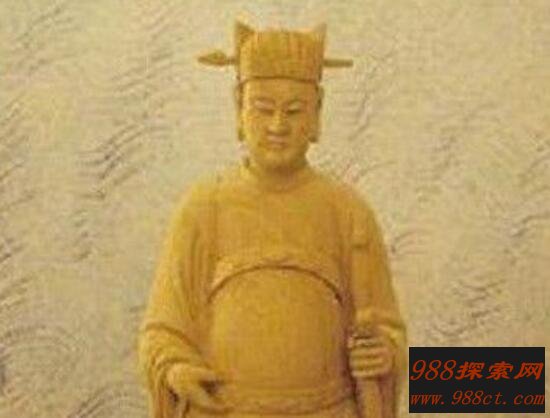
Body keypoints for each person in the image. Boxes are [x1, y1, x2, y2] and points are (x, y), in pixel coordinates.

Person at [138, 21, 406, 418]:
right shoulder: (203, 208)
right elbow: (162, 331)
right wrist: (175, 370)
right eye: (263, 109)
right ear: (239, 109)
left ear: (317, 114)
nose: (278, 126)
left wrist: (384, 353)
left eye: (294, 111)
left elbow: (384, 326)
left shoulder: (347, 211)